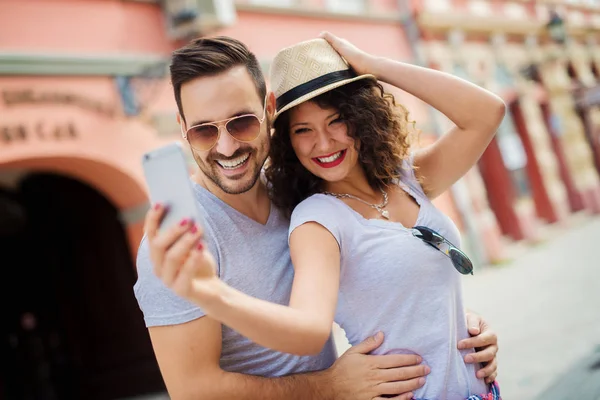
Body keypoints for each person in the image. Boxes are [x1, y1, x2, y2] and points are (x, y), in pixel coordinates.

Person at [136, 35, 500, 400]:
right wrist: (329, 387)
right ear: (183, 128)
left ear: (269, 110)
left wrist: (445, 322)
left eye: (242, 122)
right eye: (203, 130)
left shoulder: (294, 190)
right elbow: (193, 390)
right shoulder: (176, 244)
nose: (227, 146)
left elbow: (381, 273)